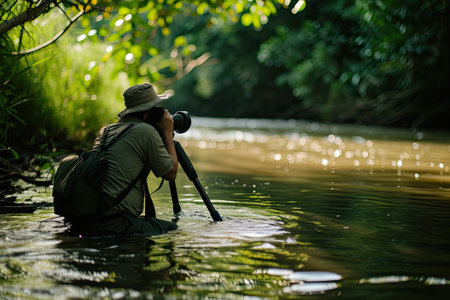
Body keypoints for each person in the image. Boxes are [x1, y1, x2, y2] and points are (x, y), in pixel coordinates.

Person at [74, 83, 179, 236]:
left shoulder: (107, 130)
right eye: (155, 109)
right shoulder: (146, 132)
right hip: (114, 222)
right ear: (146, 113)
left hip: (87, 217)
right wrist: (167, 133)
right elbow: (170, 173)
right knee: (173, 229)